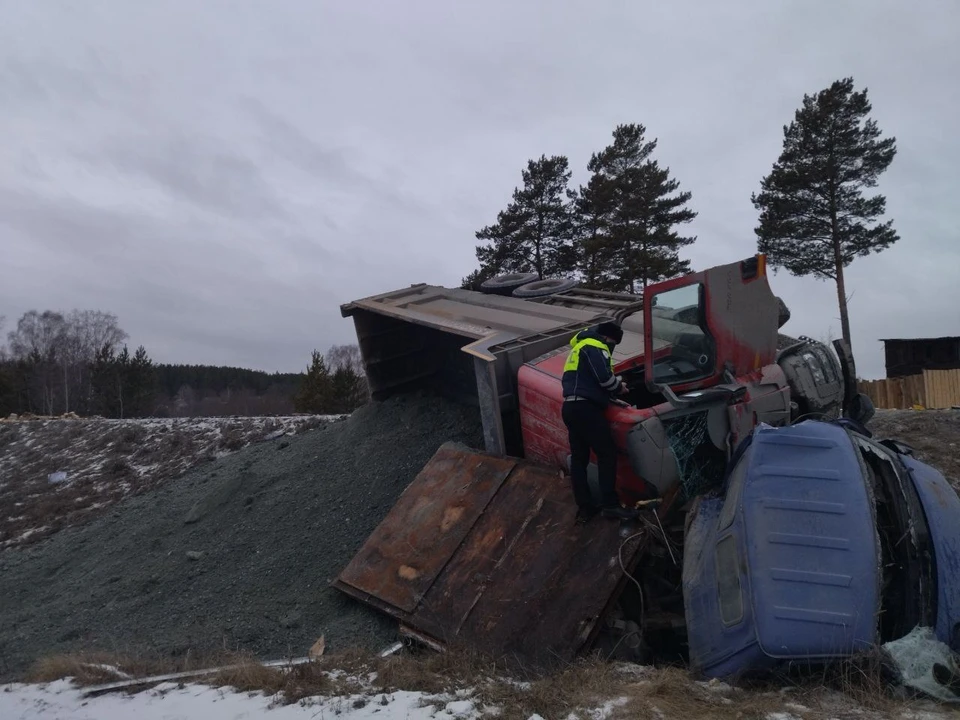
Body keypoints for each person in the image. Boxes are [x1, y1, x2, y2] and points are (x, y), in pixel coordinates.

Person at [561, 321, 636, 523]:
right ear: (608, 338)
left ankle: (585, 507)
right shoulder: (596, 346)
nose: (612, 347)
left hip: (570, 406)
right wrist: (619, 388)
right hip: (586, 409)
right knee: (607, 453)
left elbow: (587, 380)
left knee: (579, 459)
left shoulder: (580, 347)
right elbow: (604, 380)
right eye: (613, 343)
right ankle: (610, 505)